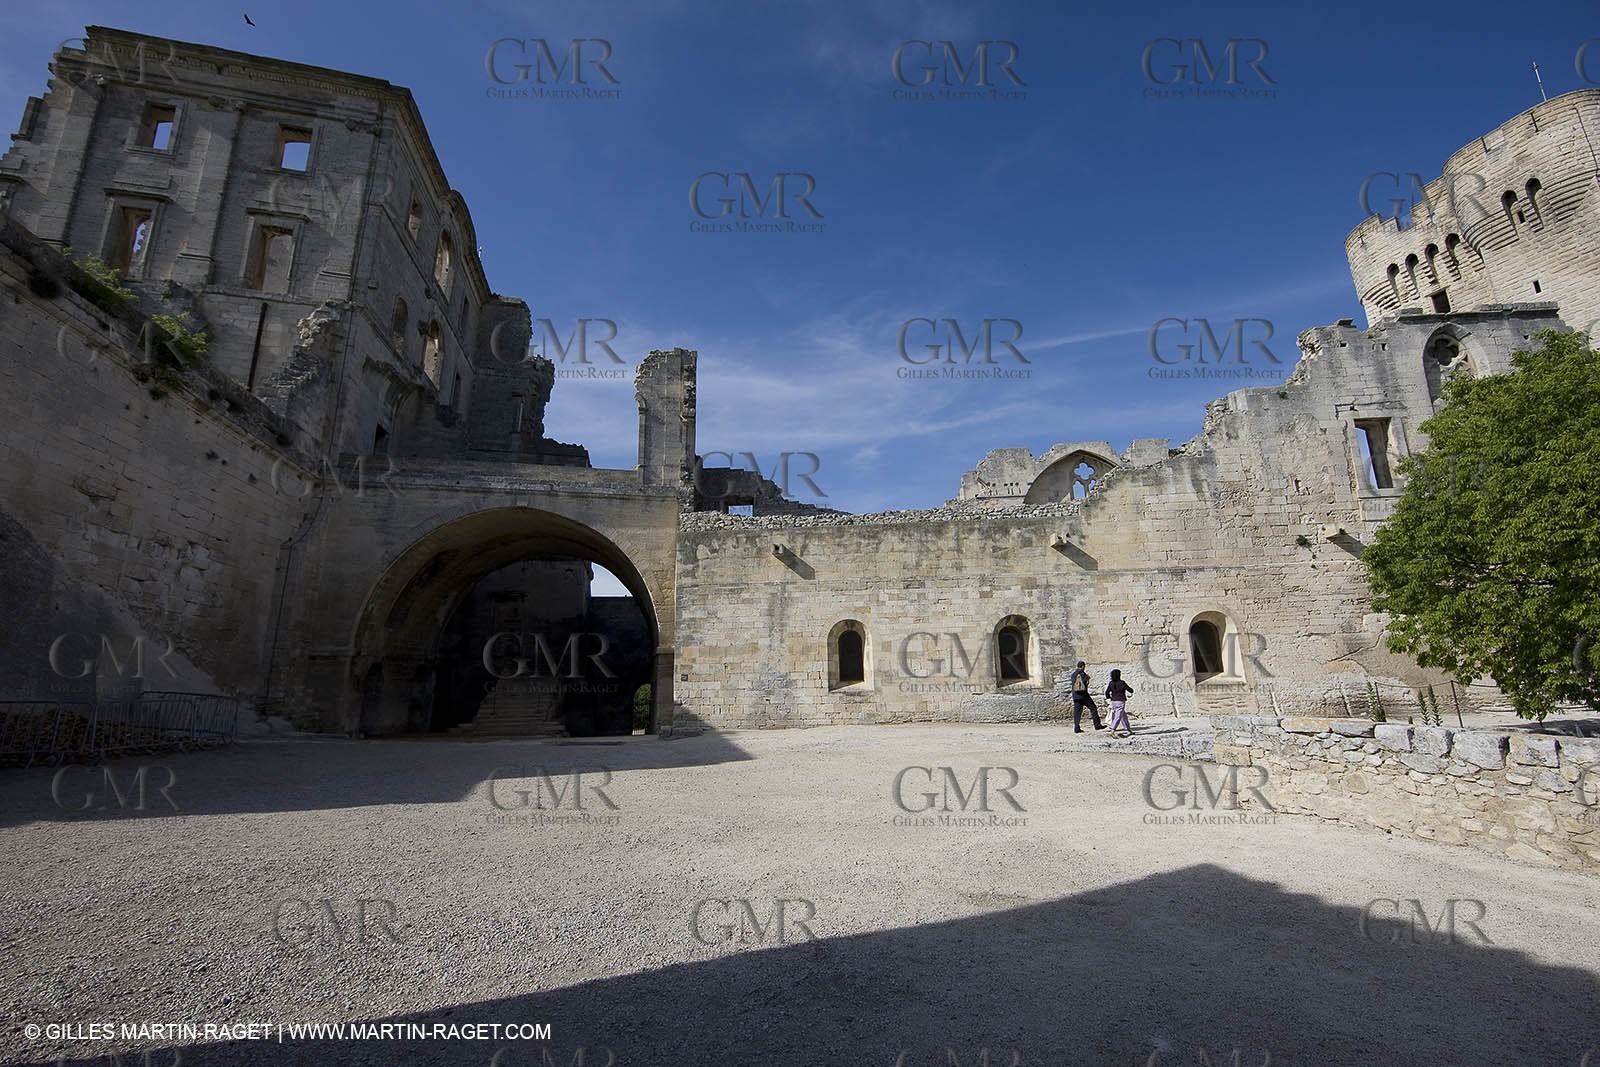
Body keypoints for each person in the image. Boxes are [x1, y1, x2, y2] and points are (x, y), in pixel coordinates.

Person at [1069, 661, 1102, 732]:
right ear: (1083, 666)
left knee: (1077, 713)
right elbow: (1085, 682)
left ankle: (1076, 728)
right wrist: (1088, 678)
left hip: (1076, 696)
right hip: (1083, 695)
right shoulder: (1082, 673)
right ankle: (1097, 725)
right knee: (1093, 708)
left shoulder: (1073, 674)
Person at [1105, 669, 1134, 737]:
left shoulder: (1111, 683)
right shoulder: (1122, 683)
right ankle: (1112, 729)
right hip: (1120, 701)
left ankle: (1128, 730)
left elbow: (1107, 693)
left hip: (1113, 701)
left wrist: (1110, 697)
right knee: (1118, 716)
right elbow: (1130, 690)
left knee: (1123, 716)